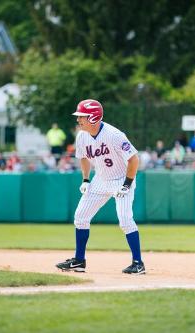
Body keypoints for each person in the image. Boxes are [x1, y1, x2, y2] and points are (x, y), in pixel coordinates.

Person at [56, 99, 145, 275]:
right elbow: (82, 157)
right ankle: (79, 261)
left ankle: (138, 263)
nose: (78, 120)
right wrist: (86, 180)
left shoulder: (114, 135)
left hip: (121, 179)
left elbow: (134, 159)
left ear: (93, 117)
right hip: (100, 180)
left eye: (82, 116)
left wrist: (127, 184)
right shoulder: (82, 136)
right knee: (80, 217)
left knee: (125, 220)